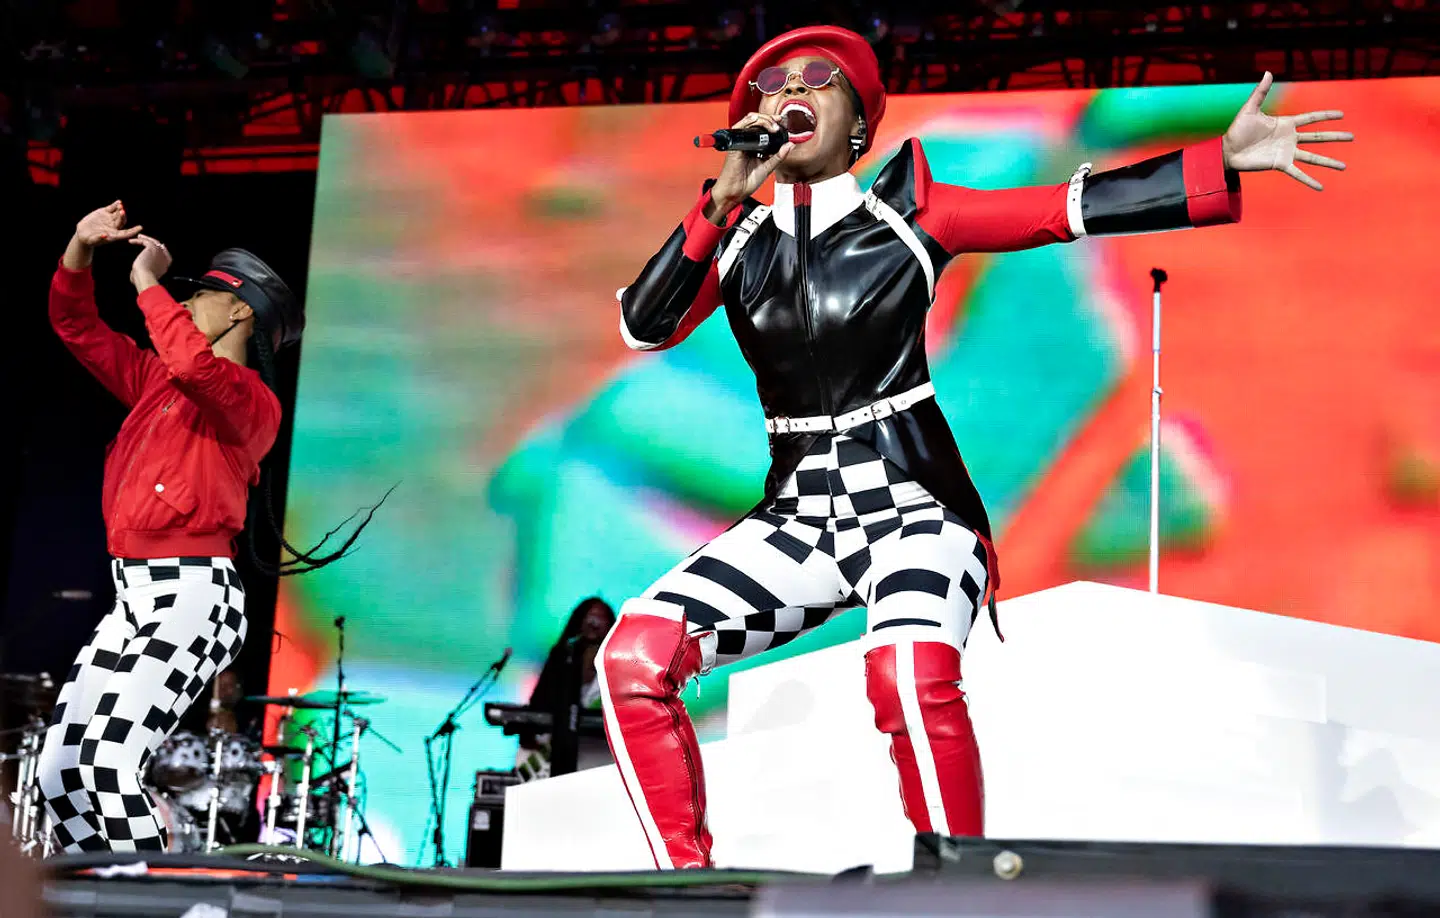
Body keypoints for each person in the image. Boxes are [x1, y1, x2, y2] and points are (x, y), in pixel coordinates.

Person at [598, 26, 1352, 869]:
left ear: (858, 123)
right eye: (772, 84)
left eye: (817, 78)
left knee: (906, 668)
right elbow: (646, 323)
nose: (790, 91)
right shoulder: (737, 240)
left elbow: (1064, 208)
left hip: (913, 510)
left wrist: (1219, 161)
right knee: (634, 653)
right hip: (799, 518)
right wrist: (719, 202)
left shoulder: (908, 215)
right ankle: (686, 883)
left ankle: (954, 878)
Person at [36, 202, 384, 853]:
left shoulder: (252, 401)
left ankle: (145, 891)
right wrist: (80, 247)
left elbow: (198, 368)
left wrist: (146, 281)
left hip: (193, 597)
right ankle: (95, 882)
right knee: (59, 774)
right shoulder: (155, 381)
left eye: (198, 296)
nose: (184, 303)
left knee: (107, 764)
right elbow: (75, 326)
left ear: (239, 310)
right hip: (135, 595)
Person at [516, 598, 617, 777]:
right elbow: (540, 697)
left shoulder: (617, 662)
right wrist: (528, 732)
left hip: (599, 752)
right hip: (557, 743)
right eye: (589, 616)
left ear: (610, 625)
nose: (594, 623)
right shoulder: (563, 655)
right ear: (579, 621)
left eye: (600, 617)